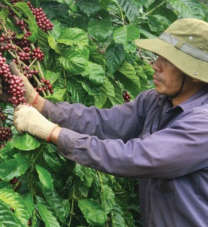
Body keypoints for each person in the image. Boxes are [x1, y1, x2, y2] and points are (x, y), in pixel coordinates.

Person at [11, 18, 208, 226]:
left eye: (167, 60)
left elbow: (135, 157)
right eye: (158, 56)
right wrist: (41, 105)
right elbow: (103, 122)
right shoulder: (155, 101)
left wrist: (53, 132)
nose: (155, 65)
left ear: (194, 75)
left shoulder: (203, 124)